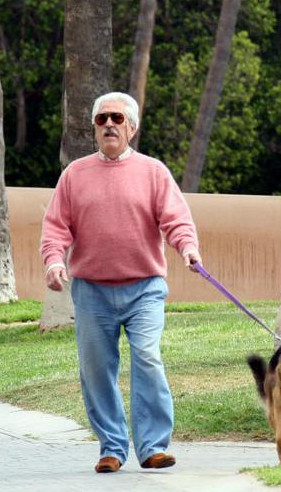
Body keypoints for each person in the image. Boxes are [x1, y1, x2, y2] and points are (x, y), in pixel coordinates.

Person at [40, 92, 202, 474]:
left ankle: (152, 447)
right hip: (92, 291)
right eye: (101, 120)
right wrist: (52, 262)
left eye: (116, 118)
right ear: (94, 129)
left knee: (147, 357)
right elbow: (55, 228)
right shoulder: (74, 175)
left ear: (132, 127)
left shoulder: (153, 171)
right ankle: (111, 447)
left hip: (144, 287)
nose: (109, 125)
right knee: (96, 369)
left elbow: (176, 219)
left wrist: (188, 248)